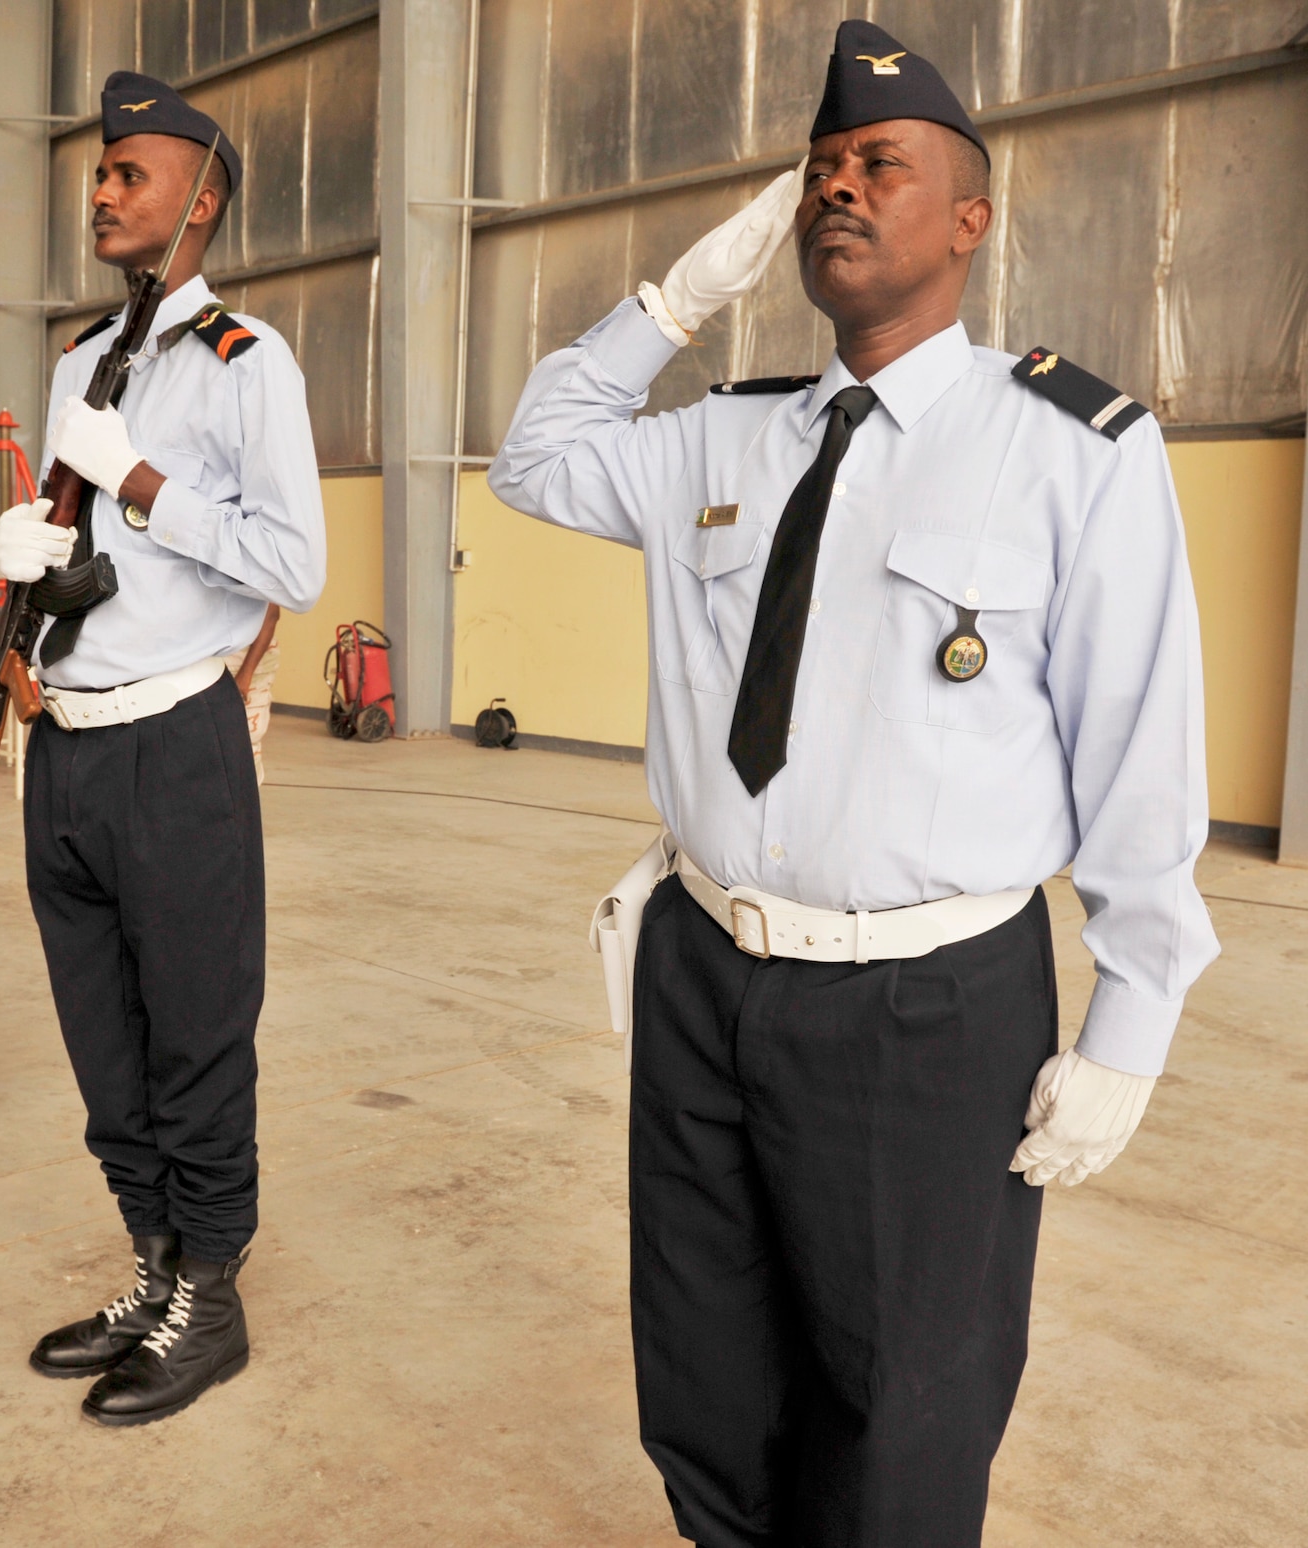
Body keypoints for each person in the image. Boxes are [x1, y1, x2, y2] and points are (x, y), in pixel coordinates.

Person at [487, 22, 1217, 1547]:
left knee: (904, 1417)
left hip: (926, 1008)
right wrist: (674, 297)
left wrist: (1131, 1021)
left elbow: (1142, 745)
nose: (837, 188)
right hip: (701, 967)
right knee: (705, 1378)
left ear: (971, 217)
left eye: (881, 164)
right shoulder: (723, 436)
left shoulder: (1073, 452)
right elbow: (536, 457)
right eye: (820, 167)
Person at [0, 72, 325, 1426]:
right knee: (102, 1041)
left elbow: (289, 558)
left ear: (202, 197)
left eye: (132, 172)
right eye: (101, 170)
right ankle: (152, 1262)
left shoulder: (250, 360)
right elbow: (84, 544)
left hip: (176, 743)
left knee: (194, 1035)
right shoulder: (78, 364)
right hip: (63, 744)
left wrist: (143, 485)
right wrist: (23, 554)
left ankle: (214, 1295)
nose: (103, 189)